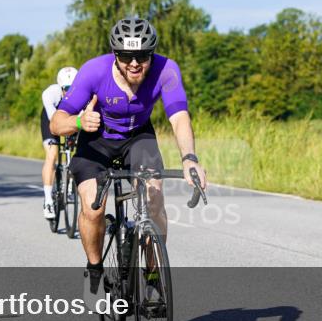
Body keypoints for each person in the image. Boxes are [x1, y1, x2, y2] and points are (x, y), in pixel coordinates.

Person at [50, 17, 207, 293]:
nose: (134, 64)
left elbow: (179, 117)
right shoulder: (93, 71)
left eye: (142, 56)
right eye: (125, 56)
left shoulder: (166, 70)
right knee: (93, 208)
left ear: (152, 54)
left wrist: (189, 159)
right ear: (115, 54)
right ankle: (95, 270)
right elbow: (57, 122)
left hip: (138, 138)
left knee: (154, 200)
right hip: (97, 139)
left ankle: (153, 278)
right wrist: (79, 122)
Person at [40, 66, 79, 220]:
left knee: (81, 149)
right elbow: (54, 123)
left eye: (74, 89)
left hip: (72, 118)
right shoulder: (50, 94)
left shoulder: (84, 93)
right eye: (67, 89)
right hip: (52, 119)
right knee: (52, 155)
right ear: (60, 87)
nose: (70, 93)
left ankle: (70, 184)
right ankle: (48, 201)